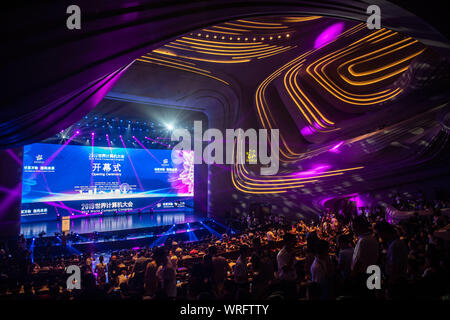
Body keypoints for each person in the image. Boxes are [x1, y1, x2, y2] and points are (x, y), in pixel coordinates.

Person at [277, 233, 297, 299]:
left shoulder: (291, 251)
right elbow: (285, 270)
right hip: (286, 282)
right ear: (287, 242)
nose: (295, 243)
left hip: (293, 279)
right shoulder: (281, 255)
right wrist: (292, 257)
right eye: (293, 241)